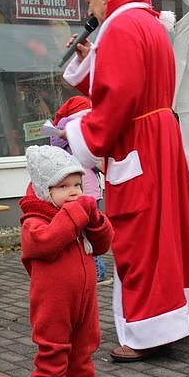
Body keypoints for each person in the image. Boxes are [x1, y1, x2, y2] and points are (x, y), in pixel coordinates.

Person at [61, 0, 189, 362]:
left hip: (138, 142)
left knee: (139, 235)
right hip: (160, 136)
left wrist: (81, 133)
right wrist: (90, 60)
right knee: (170, 228)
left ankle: (149, 331)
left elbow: (118, 97)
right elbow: (131, 83)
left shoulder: (120, 26)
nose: (90, 11)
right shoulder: (147, 22)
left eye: (90, 1)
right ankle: (179, 309)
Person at [20, 145, 118, 377]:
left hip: (85, 300)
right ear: (44, 190)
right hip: (53, 303)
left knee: (83, 350)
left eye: (77, 184)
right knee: (53, 351)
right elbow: (45, 242)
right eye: (63, 186)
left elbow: (101, 245)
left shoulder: (80, 215)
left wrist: (96, 220)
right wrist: (76, 215)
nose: (74, 191)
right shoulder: (34, 221)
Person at [49, 95, 110, 284]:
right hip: (89, 191)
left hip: (71, 194)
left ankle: (83, 270)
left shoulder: (63, 144)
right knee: (91, 231)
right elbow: (98, 163)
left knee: (77, 232)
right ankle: (97, 272)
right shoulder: (84, 139)